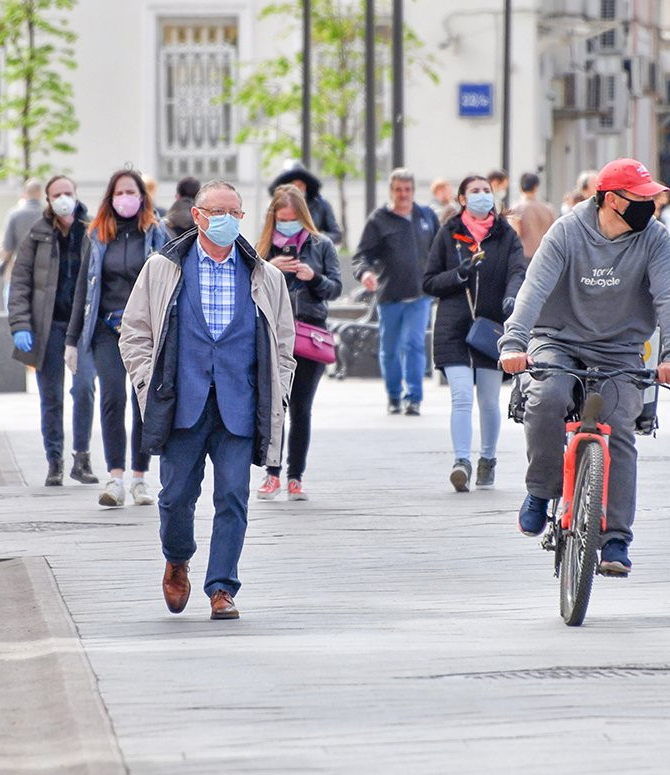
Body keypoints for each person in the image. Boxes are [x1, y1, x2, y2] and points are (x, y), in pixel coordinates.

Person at [499, 158, 670, 576]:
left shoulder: (655, 239)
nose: (650, 204)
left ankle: (616, 537)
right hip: (556, 338)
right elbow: (533, 290)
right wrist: (514, 342)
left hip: (620, 349)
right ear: (610, 200)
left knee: (620, 424)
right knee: (548, 396)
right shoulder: (566, 231)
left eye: (650, 197)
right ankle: (540, 490)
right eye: (640, 198)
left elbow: (669, 296)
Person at [118, 180, 296, 620]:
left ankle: (222, 587)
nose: (227, 221)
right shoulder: (163, 269)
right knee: (176, 496)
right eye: (218, 212)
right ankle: (177, 559)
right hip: (181, 402)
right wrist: (146, 382)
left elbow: (285, 344)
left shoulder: (265, 276)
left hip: (240, 403)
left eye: (235, 214)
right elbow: (134, 331)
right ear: (196, 216)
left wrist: (280, 389)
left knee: (233, 495)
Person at [66, 168, 169, 507]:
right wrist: (72, 340)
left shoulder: (156, 234)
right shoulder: (97, 235)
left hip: (145, 331)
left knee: (143, 401)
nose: (126, 198)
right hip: (106, 329)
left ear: (142, 197)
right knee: (113, 398)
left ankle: (140, 477)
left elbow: (171, 283)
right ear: (110, 198)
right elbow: (83, 286)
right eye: (120, 193)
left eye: (132, 192)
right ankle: (116, 477)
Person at [422, 175, 527, 492]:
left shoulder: (505, 235)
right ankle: (461, 462)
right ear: (462, 199)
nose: (483, 196)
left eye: (486, 191)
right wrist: (459, 274)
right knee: (462, 397)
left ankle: (488, 460)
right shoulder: (449, 233)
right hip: (453, 326)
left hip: (491, 328)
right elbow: (429, 282)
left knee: (489, 400)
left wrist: (513, 296)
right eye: (475, 191)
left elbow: (517, 271)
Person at [7, 175, 99, 487]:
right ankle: (54, 461)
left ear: (76, 194)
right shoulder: (38, 234)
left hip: (83, 329)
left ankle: (82, 457)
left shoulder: (92, 231)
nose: (63, 198)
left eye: (67, 193)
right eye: (57, 194)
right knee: (51, 397)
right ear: (48, 199)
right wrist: (20, 325)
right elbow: (20, 282)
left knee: (84, 388)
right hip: (48, 328)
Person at [254, 186, 342, 502]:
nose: (287, 225)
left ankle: (295, 477)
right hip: (274, 334)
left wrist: (312, 277)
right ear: (273, 217)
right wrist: (270, 269)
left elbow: (335, 288)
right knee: (275, 406)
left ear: (303, 217)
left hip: (309, 334)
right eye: (282, 219)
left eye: (293, 219)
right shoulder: (261, 249)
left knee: (301, 408)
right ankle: (271, 472)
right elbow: (247, 288)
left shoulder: (321, 245)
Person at [354, 168, 439, 415]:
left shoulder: (426, 216)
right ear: (391, 191)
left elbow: (439, 250)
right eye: (398, 190)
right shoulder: (379, 220)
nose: (403, 194)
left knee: (414, 344)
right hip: (389, 295)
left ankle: (414, 397)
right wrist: (366, 274)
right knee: (390, 350)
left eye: (408, 190)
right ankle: (393, 394)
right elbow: (361, 256)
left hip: (419, 295)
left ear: (413, 191)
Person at [0, 179, 45, 307]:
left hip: (17, 270)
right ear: (40, 194)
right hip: (43, 272)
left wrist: (2, 264)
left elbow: (7, 247)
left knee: (14, 311)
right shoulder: (47, 216)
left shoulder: (14, 214)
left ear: (25, 193)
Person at [268, 163, 343, 244]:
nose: (296, 189)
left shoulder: (321, 205)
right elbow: (267, 233)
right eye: (293, 185)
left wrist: (315, 238)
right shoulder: (277, 206)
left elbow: (336, 234)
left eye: (300, 185)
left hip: (315, 253)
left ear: (306, 186)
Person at [506, 172, 557, 259]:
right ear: (536, 187)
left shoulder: (515, 208)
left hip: (524, 255)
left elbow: (515, 233)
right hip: (545, 254)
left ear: (520, 186)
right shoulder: (548, 208)